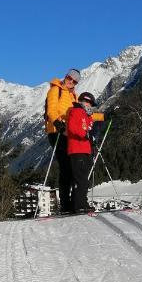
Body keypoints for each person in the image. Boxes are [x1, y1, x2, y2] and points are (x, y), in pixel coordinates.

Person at [44, 69, 80, 213]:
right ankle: (65, 204)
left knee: (71, 167)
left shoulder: (73, 96)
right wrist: (57, 122)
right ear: (65, 76)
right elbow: (51, 109)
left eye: (74, 81)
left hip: (68, 133)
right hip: (56, 131)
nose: (70, 81)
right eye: (69, 78)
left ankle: (70, 202)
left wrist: (100, 117)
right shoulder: (55, 90)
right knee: (65, 167)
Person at [67, 92, 100, 214]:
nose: (90, 106)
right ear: (83, 101)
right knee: (81, 179)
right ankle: (80, 204)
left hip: (85, 149)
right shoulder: (76, 111)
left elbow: (89, 129)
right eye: (89, 103)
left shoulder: (87, 115)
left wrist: (92, 136)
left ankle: (78, 203)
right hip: (77, 149)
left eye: (91, 104)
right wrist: (85, 134)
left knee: (82, 178)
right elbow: (72, 127)